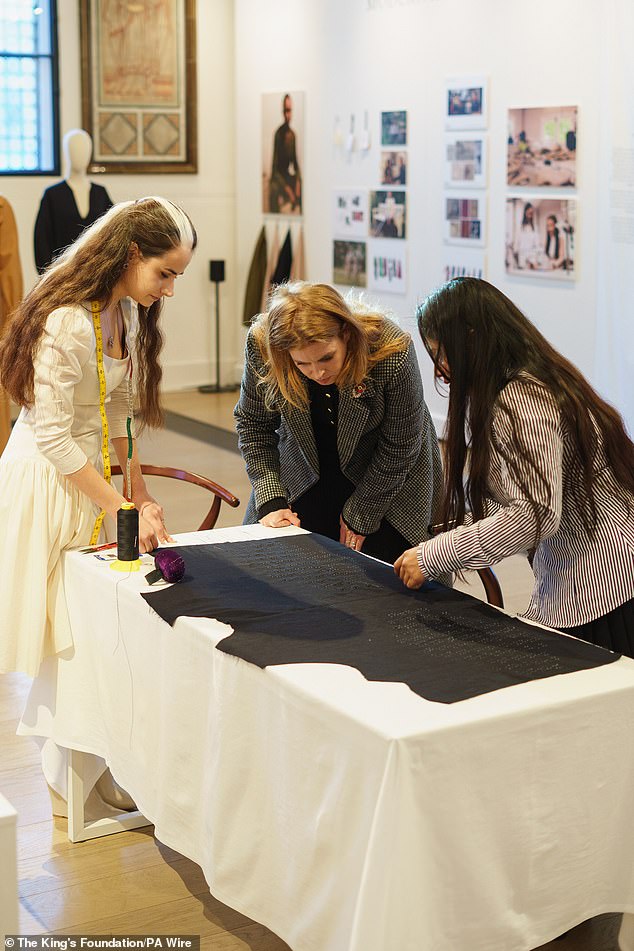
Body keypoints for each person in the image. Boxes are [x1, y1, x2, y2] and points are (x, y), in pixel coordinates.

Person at [0, 196, 197, 679]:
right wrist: (120, 506)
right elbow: (51, 434)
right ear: (132, 255)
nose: (170, 289)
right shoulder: (68, 318)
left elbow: (117, 409)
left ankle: (84, 750)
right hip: (48, 481)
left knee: (84, 636)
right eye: (165, 273)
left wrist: (139, 492)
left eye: (177, 277)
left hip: (86, 481)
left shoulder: (122, 313)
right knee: (57, 648)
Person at [394, 277, 634, 657]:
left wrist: (435, 555)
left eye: (442, 352)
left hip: (604, 585)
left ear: (472, 338)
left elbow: (534, 514)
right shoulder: (539, 379)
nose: (440, 368)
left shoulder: (521, 398)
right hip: (597, 575)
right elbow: (516, 499)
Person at [234, 281, 443, 564]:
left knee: (387, 573)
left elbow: (400, 446)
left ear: (346, 334)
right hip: (304, 464)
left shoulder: (390, 350)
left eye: (326, 358)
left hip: (388, 473)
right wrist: (272, 499)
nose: (318, 372)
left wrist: (362, 513)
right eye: (301, 364)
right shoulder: (263, 345)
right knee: (277, 565)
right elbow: (253, 425)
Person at [34, 129, 113, 273]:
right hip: (63, 275)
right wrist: (46, 278)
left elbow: (113, 232)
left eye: (85, 149)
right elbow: (42, 241)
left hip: (97, 274)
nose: (81, 155)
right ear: (66, 152)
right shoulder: (53, 195)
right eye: (75, 149)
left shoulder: (100, 194)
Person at [269, 94, 302, 214]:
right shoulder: (278, 134)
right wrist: (287, 189)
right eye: (286, 110)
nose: (288, 114)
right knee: (273, 190)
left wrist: (298, 180)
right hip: (278, 178)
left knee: (301, 183)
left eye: (290, 110)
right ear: (283, 112)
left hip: (287, 175)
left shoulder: (293, 135)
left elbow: (295, 163)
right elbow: (275, 168)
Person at [513, 202, 540, 269]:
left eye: (531, 213)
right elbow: (516, 245)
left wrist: (534, 260)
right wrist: (517, 260)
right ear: (525, 212)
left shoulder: (535, 228)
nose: (530, 214)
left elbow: (537, 245)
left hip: (532, 259)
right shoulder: (520, 227)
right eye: (528, 212)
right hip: (522, 259)